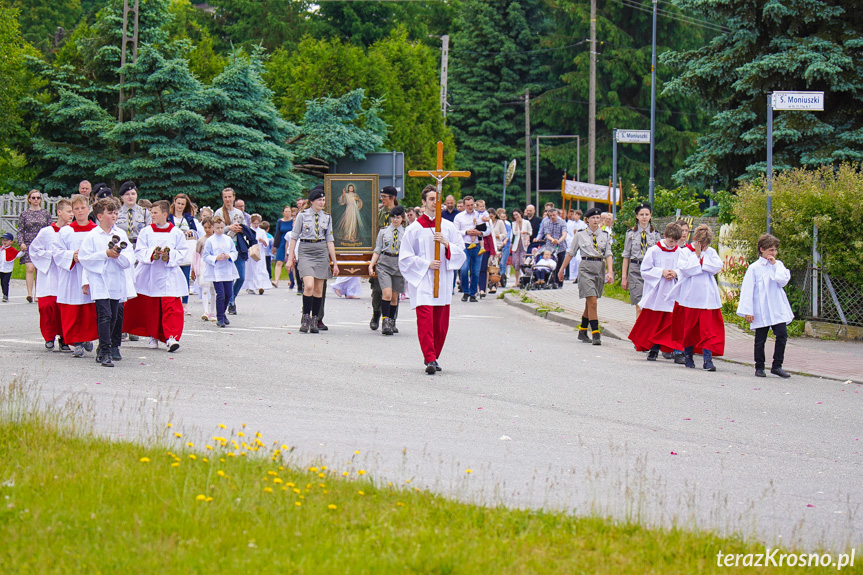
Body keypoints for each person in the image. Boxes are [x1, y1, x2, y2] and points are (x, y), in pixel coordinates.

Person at [398, 185, 466, 374]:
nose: (434, 202)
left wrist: (446, 243)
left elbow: (461, 252)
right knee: (426, 320)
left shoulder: (448, 227)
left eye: (437, 199)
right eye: (430, 199)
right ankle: (430, 358)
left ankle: (435, 355)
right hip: (423, 280)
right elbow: (404, 258)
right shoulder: (414, 229)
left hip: (443, 279)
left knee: (441, 324)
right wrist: (426, 264)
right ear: (423, 202)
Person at [77, 198, 136, 367]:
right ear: (100, 216)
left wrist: (117, 256)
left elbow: (129, 259)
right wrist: (105, 254)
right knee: (105, 315)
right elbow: (84, 258)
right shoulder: (92, 236)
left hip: (116, 279)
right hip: (100, 280)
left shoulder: (121, 234)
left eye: (116, 213)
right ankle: (105, 351)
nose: (114, 216)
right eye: (110, 213)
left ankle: (103, 348)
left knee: (114, 316)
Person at [123, 200, 188, 352]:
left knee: (170, 305)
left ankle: (171, 337)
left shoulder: (176, 233)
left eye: (155, 212)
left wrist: (168, 255)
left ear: (164, 214)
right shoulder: (146, 231)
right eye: (151, 212)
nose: (152, 215)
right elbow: (139, 250)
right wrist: (152, 253)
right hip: (149, 274)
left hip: (168, 273)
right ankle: (153, 335)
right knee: (151, 306)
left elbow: (183, 251)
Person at [666, 224, 724, 371]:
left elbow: (716, 267)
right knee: (689, 328)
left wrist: (702, 259)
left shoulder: (711, 252)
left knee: (707, 330)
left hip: (707, 298)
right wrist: (697, 257)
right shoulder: (685, 252)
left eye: (705, 244)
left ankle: (707, 359)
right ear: (695, 239)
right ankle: (688, 356)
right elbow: (685, 270)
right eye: (701, 243)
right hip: (690, 297)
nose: (703, 246)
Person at [736, 234, 793, 378]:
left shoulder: (778, 265)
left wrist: (775, 265)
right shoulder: (754, 268)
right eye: (770, 250)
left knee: (782, 335)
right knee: (760, 339)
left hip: (776, 307)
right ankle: (759, 366)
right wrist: (748, 311)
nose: (773, 253)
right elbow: (748, 290)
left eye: (775, 250)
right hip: (761, 308)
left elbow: (782, 280)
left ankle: (777, 366)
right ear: (762, 249)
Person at [286, 185, 339, 333]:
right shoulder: (302, 216)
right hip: (306, 251)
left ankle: (315, 319)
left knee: (318, 289)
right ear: (312, 201)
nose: (321, 203)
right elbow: (294, 237)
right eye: (319, 200)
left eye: (323, 200)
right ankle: (305, 317)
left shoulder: (327, 217)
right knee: (308, 285)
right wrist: (290, 258)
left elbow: (330, 240)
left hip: (321, 251)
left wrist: (334, 263)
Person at [627, 223, 683, 360]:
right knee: (655, 322)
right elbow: (645, 270)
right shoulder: (654, 251)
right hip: (657, 291)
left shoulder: (679, 252)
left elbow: (684, 268)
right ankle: (653, 349)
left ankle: (676, 351)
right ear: (665, 236)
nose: (672, 244)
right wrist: (661, 272)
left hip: (672, 291)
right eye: (671, 241)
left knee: (671, 323)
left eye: (675, 241)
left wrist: (676, 273)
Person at [558, 207, 613, 345]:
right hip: (585, 267)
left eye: (598, 218)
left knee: (591, 302)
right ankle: (595, 333)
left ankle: (582, 330)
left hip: (599, 267)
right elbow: (570, 252)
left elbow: (608, 254)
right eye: (593, 218)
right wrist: (561, 269)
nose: (596, 220)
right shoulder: (580, 235)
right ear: (587, 220)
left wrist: (610, 271)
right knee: (592, 301)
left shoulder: (605, 235)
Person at [54, 195, 98, 357]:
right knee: (73, 309)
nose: (80, 211)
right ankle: (77, 341)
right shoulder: (66, 231)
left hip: (90, 274)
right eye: (76, 209)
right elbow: (57, 252)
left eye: (83, 208)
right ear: (72, 211)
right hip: (72, 274)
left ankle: (87, 338)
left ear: (89, 209)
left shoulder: (96, 231)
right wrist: (71, 255)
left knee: (89, 309)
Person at [27, 199, 73, 349]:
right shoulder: (46, 232)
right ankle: (49, 336)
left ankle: (65, 338)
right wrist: (51, 255)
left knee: (64, 308)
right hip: (50, 273)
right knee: (47, 306)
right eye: (69, 211)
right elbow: (34, 250)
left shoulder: (72, 231)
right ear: (59, 212)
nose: (72, 214)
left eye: (72, 211)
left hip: (66, 273)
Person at [218, 188, 256, 315]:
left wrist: (240, 229)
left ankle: (231, 298)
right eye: (225, 197)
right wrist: (229, 227)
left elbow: (245, 228)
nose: (228, 199)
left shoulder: (239, 213)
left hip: (238, 247)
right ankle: (230, 302)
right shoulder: (219, 212)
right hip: (224, 248)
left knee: (241, 277)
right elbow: (215, 229)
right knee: (227, 277)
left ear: (234, 198)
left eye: (230, 197)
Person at [369, 205, 406, 336]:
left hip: (398, 264)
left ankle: (391, 321)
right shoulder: (384, 232)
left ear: (402, 218)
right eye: (393, 217)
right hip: (384, 263)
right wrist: (371, 264)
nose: (395, 220)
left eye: (398, 217)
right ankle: (385, 321)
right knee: (387, 294)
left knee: (395, 297)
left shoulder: (406, 233)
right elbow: (378, 249)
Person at [621, 203, 662, 317]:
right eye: (641, 214)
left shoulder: (656, 235)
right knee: (639, 305)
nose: (644, 217)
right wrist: (624, 277)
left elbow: (659, 256)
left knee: (649, 305)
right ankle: (639, 333)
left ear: (650, 216)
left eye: (646, 214)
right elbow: (626, 256)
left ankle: (648, 331)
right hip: (635, 270)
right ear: (637, 216)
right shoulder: (630, 234)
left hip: (650, 269)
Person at [369, 186, 399, 330]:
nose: (382, 199)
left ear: (392, 197)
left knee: (394, 291)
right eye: (381, 196)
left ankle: (392, 320)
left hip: (396, 257)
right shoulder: (378, 213)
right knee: (377, 288)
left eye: (384, 196)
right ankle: (376, 314)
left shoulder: (400, 214)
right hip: (380, 254)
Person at [16, 189, 52, 303]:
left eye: (38, 197)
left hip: (41, 244)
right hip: (28, 243)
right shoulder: (24, 214)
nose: (36, 200)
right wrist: (21, 242)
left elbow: (50, 229)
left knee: (39, 269)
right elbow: (20, 230)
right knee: (30, 268)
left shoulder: (45, 213)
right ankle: (30, 293)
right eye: (33, 198)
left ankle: (38, 293)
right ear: (29, 199)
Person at [203, 216, 238, 328]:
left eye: (222, 227)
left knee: (228, 294)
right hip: (216, 271)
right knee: (221, 295)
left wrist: (230, 256)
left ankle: (222, 313)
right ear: (213, 227)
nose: (220, 230)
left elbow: (234, 252)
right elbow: (206, 256)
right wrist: (215, 258)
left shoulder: (228, 239)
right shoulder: (210, 241)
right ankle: (220, 317)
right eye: (217, 228)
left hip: (227, 270)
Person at [169, 193, 201, 309]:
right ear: (174, 203)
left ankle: (184, 303)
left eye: (183, 204)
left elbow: (196, 233)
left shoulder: (189, 218)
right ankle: (173, 301)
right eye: (178, 203)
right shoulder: (169, 217)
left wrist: (190, 232)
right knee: (172, 277)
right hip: (173, 249)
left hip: (186, 249)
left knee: (185, 277)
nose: (180, 206)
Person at [453, 196, 488, 302]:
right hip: (464, 245)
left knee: (475, 271)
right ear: (464, 205)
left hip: (477, 245)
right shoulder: (459, 217)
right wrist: (466, 232)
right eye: (467, 205)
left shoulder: (479, 215)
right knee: (463, 270)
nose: (470, 207)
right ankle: (466, 291)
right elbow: (455, 232)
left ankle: (473, 294)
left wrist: (479, 233)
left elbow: (487, 230)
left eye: (471, 205)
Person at [192, 217, 216, 322]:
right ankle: (205, 311)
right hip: (203, 265)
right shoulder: (201, 240)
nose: (207, 230)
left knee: (214, 290)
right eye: (205, 227)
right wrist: (194, 269)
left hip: (215, 265)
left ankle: (213, 311)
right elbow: (196, 255)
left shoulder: (216, 239)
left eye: (209, 227)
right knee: (205, 288)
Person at [536, 208, 568, 289]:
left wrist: (559, 240)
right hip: (550, 246)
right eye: (550, 216)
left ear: (557, 214)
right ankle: (550, 281)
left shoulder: (562, 222)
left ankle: (559, 282)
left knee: (560, 265)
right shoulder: (547, 222)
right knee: (550, 263)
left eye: (554, 215)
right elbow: (547, 235)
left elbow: (564, 234)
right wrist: (552, 240)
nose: (552, 217)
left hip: (561, 246)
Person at [242, 214, 271, 295]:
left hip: (260, 252)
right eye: (254, 223)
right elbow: (245, 240)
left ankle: (261, 285)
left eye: (257, 223)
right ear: (251, 222)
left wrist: (263, 241)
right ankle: (250, 286)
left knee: (260, 268)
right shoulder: (248, 231)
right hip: (251, 252)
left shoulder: (261, 231)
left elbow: (266, 242)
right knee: (251, 269)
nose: (256, 225)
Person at [115, 181, 151, 247]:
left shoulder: (144, 212)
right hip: (121, 246)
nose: (130, 196)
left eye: (133, 194)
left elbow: (149, 232)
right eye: (127, 194)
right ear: (122, 197)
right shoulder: (116, 212)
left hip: (139, 246)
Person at [271, 205, 295, 288]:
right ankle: (276, 281)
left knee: (292, 262)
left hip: (291, 242)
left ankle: (291, 280)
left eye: (289, 211)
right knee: (279, 261)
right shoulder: (280, 221)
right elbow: (277, 232)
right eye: (286, 211)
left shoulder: (293, 221)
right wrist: (274, 246)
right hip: (282, 242)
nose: (288, 213)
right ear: (283, 213)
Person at [509, 209, 532, 285]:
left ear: (520, 213)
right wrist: (517, 224)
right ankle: (516, 281)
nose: (516, 216)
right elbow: (515, 232)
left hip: (524, 243)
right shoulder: (513, 223)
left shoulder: (526, 222)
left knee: (523, 262)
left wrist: (527, 233)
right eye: (514, 215)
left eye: (517, 214)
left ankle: (525, 278)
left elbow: (530, 231)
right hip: (517, 244)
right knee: (516, 262)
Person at [1, 233, 21, 303]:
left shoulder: (12, 250)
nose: (4, 241)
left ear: (11, 242)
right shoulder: (1, 249)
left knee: (5, 282)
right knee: (1, 283)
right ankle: (4, 293)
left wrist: (23, 251)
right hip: (0, 268)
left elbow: (18, 254)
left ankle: (5, 295)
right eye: (3, 240)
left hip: (7, 270)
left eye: (6, 240)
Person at [496, 208, 512, 282]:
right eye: (501, 217)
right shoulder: (496, 224)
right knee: (496, 262)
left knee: (503, 262)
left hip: (505, 244)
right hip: (497, 244)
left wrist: (505, 240)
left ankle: (502, 276)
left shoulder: (507, 224)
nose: (502, 219)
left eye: (504, 217)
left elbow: (508, 234)